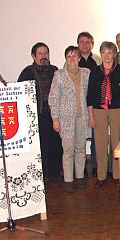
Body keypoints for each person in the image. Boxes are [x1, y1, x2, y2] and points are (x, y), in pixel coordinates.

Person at [18, 42, 62, 184]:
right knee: (40, 146)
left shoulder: (55, 70)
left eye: (46, 53)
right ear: (33, 56)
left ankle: (55, 173)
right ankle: (41, 176)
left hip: (54, 115)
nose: (44, 56)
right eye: (40, 53)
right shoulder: (27, 72)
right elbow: (21, 93)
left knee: (56, 145)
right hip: (38, 115)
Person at [49, 46, 91, 192]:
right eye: (69, 56)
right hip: (65, 118)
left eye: (75, 56)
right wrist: (55, 119)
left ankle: (80, 178)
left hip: (82, 117)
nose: (72, 59)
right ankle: (68, 180)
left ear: (79, 58)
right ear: (65, 59)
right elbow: (53, 98)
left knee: (80, 148)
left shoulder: (86, 73)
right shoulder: (59, 75)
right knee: (68, 150)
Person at [87, 41, 120, 187]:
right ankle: (101, 176)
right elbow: (89, 95)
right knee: (100, 143)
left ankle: (117, 175)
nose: (106, 56)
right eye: (103, 52)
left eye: (109, 52)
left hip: (117, 110)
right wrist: (91, 115)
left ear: (114, 54)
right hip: (98, 110)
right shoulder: (95, 72)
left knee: (117, 142)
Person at [77, 31, 100, 177]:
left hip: (95, 104)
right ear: (78, 44)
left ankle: (97, 167)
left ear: (92, 44)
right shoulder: (72, 60)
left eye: (87, 42)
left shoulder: (98, 60)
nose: (84, 45)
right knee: (80, 137)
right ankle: (82, 169)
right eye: (81, 42)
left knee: (96, 136)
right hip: (78, 104)